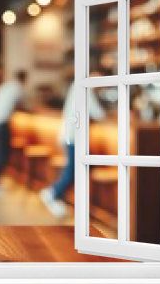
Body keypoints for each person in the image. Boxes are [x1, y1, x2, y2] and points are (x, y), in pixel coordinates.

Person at [39, 81, 105, 218]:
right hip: (74, 137)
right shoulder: (84, 87)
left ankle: (62, 197)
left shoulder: (75, 85)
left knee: (82, 168)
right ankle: (53, 193)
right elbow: (98, 114)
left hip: (70, 135)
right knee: (72, 170)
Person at [0, 70, 28, 193]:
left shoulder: (6, 86)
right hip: (1, 123)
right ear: (24, 79)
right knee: (2, 154)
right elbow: (22, 106)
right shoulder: (18, 88)